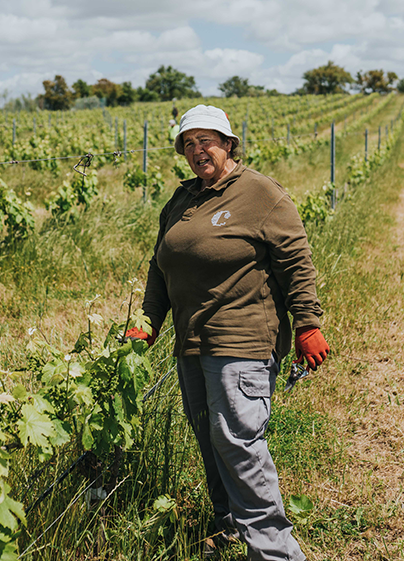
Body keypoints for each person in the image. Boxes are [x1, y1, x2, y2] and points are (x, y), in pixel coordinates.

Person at [126, 104, 329, 560]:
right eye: (190, 143)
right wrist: (147, 323)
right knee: (210, 438)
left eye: (208, 140)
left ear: (229, 144)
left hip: (242, 340)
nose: (199, 151)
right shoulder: (181, 201)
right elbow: (160, 270)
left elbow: (296, 262)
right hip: (192, 341)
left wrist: (308, 324)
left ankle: (276, 552)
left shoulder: (260, 194)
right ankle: (232, 527)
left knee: (237, 443)